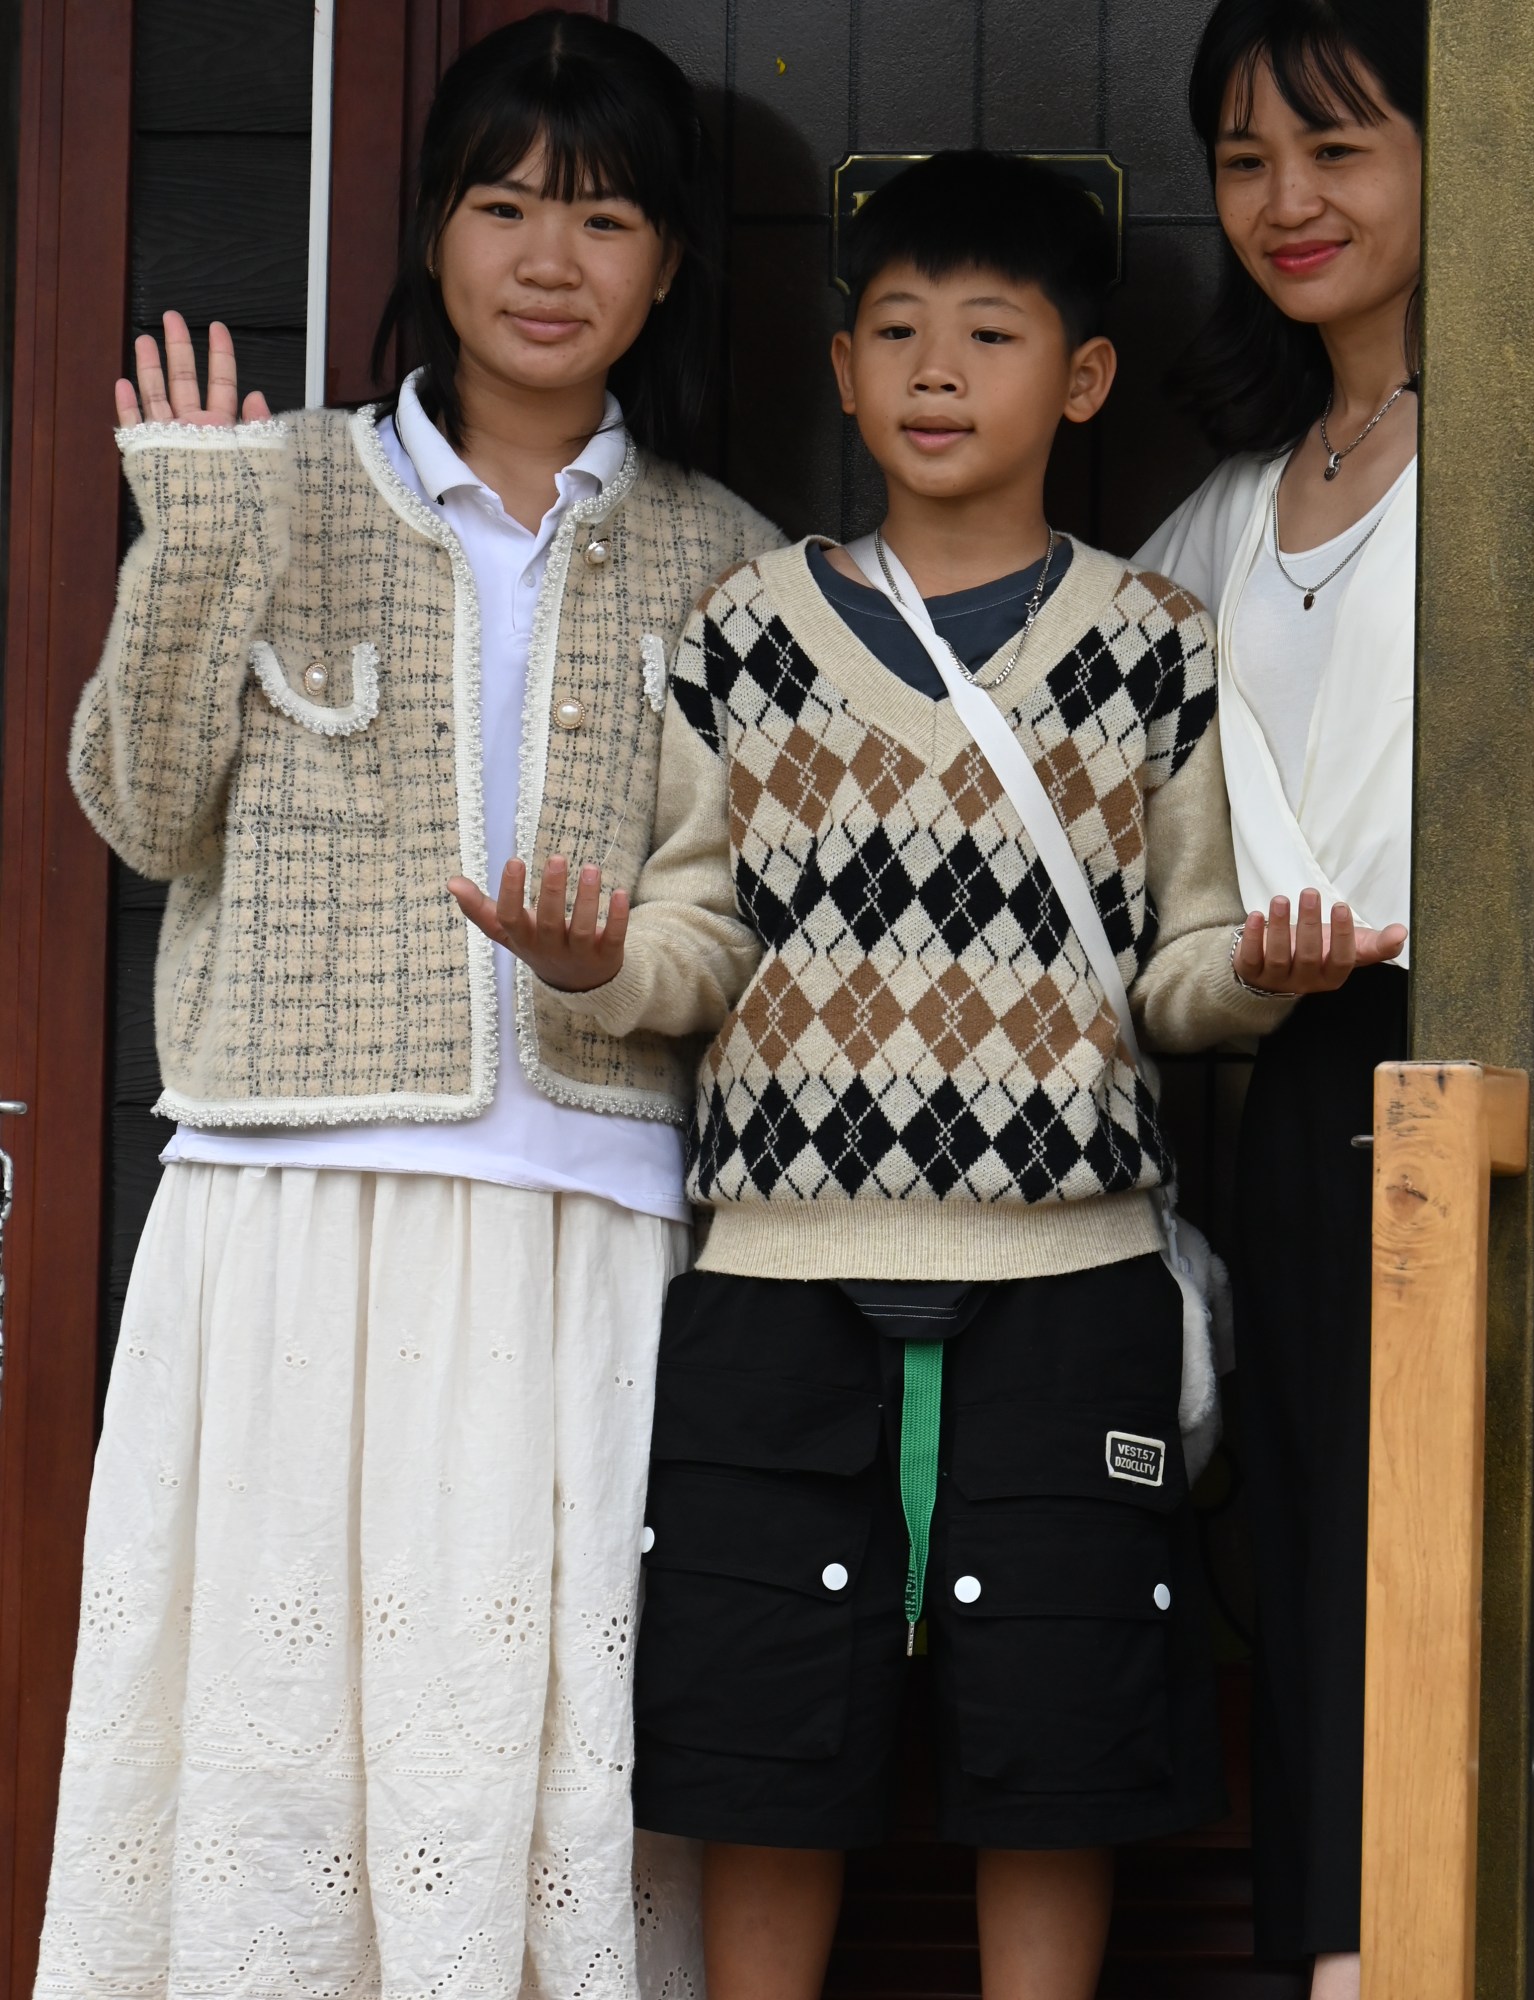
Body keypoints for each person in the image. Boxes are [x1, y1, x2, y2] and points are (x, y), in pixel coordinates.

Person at [464, 148, 1343, 2000]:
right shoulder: (746, 632)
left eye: (991, 335)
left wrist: (1262, 977)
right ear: (843, 373)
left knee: (1059, 1750)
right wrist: (593, 963)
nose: (938, 372)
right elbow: (700, 939)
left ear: (1082, 380)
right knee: (764, 1746)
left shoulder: (1152, 646)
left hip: (1073, 1280)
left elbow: (1179, 968)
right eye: (897, 333)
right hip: (776, 1284)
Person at [37, 15, 777, 1998]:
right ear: (433, 230)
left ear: (668, 264)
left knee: (535, 1740)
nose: (549, 258)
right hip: (293, 1206)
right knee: (276, 1735)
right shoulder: (273, 484)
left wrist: (605, 967)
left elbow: (737, 919)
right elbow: (139, 808)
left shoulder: (726, 557)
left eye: (604, 216)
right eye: (506, 203)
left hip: (587, 1219)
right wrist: (192, 539)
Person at [1134, 4, 1534, 1995]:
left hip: (1494, 1084)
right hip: (1300, 1095)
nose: (1285, 200)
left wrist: (1495, 1114)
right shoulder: (1234, 503)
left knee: (1490, 1624)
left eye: (1337, 146)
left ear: (1449, 153)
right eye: (1243, 159)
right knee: (1330, 1622)